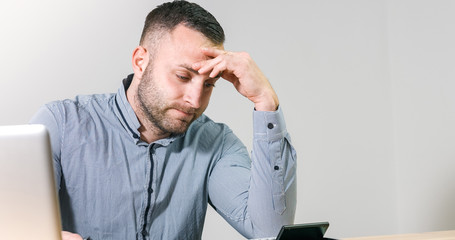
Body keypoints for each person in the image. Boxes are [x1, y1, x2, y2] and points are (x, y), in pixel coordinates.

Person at [30, 1, 297, 240]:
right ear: (140, 61)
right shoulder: (60, 125)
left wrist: (265, 102)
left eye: (209, 84)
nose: (195, 100)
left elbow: (270, 233)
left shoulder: (217, 144)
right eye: (183, 76)